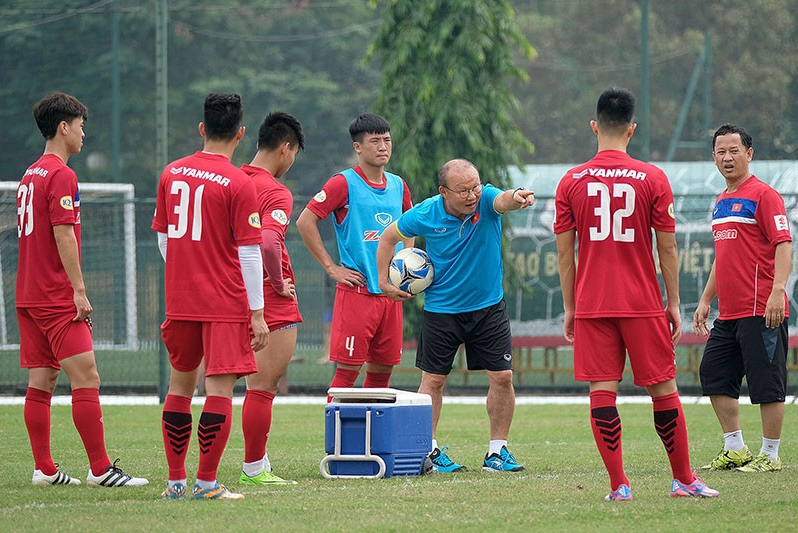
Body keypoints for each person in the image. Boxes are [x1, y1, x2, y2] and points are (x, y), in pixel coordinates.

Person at [553, 87, 718, 500]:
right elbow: (667, 247)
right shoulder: (653, 177)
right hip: (643, 302)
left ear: (594, 126)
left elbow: (564, 253)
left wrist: (571, 307)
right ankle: (683, 479)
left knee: (602, 391)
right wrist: (674, 303)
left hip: (592, 303)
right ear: (632, 129)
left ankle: (619, 485)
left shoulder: (570, 180)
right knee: (663, 389)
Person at [17, 92, 148, 488]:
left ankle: (44, 469)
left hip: (27, 294)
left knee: (42, 383)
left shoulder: (30, 174)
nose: (83, 133)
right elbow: (63, 235)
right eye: (80, 126)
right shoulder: (62, 174)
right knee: (87, 377)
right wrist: (79, 290)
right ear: (64, 127)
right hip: (56, 295)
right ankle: (100, 469)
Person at [376, 158, 535, 473]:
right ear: (443, 192)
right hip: (442, 311)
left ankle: (497, 452)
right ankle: (429, 453)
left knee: (503, 377)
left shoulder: (487, 200)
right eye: (463, 190)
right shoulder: (426, 212)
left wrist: (515, 196)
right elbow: (387, 238)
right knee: (433, 381)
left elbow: (503, 199)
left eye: (475, 186)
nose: (472, 194)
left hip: (488, 308)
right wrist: (383, 281)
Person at [152, 92, 268, 501]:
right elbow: (250, 252)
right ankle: (206, 483)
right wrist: (257, 312)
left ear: (202, 129)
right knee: (219, 392)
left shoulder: (171, 173)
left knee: (179, 388)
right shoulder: (239, 182)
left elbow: (165, 240)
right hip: (223, 302)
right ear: (240, 134)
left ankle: (174, 482)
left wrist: (187, 271)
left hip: (180, 299)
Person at [694, 124, 792, 473]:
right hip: (730, 313)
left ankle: (771, 455)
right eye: (721, 151)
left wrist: (778, 291)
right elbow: (724, 257)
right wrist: (706, 299)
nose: (727, 157)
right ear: (713, 157)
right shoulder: (721, 202)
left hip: (762, 308)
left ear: (749, 154)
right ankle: (735, 448)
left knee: (767, 383)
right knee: (713, 374)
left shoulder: (764, 195)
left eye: (734, 150)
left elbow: (783, 243)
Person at [296, 113, 412, 399]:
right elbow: (304, 221)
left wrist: (406, 262)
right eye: (375, 141)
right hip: (357, 292)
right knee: (347, 373)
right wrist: (331, 268)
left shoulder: (398, 185)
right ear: (358, 147)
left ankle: (369, 441)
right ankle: (337, 441)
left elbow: (410, 225)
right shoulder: (343, 184)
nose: (383, 146)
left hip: (389, 296)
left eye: (387, 140)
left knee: (382, 372)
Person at [238, 111, 305, 486]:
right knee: (262, 389)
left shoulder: (229, 179)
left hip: (227, 294)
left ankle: (256, 463)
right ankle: (252, 468)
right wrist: (278, 282)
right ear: (285, 148)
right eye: (293, 155)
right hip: (266, 298)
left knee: (226, 387)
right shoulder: (274, 190)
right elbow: (267, 239)